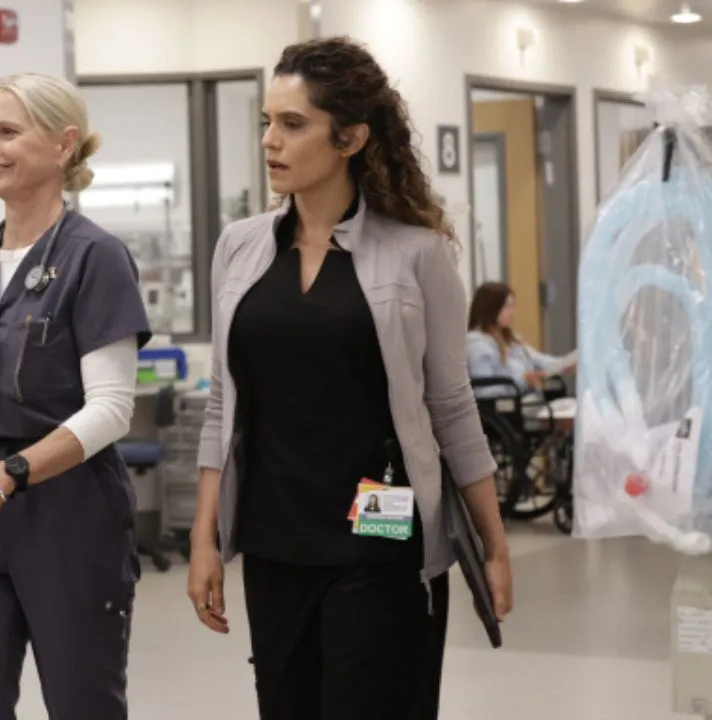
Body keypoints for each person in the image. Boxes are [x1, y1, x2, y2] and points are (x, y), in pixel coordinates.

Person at [185, 37, 514, 719]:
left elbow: (453, 408)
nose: (270, 140)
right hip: (274, 543)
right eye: (267, 122)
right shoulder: (239, 249)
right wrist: (203, 539)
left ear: (351, 138)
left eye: (293, 123)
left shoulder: (417, 255)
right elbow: (222, 405)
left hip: (381, 542)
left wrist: (494, 546)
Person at [0, 72, 151, 720]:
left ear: (63, 144)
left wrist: (5, 480)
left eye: (7, 132)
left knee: (83, 703)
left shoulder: (96, 257)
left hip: (70, 503)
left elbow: (111, 409)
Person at [467, 281, 578, 397]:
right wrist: (523, 381)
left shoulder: (510, 339)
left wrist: (561, 365)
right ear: (490, 308)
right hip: (507, 405)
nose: (512, 312)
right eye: (507, 307)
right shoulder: (477, 345)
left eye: (513, 307)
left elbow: (537, 359)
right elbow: (484, 392)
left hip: (526, 399)